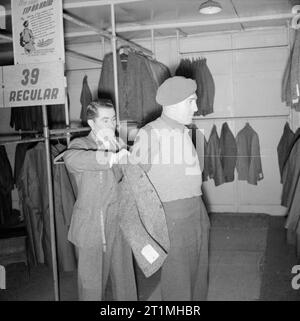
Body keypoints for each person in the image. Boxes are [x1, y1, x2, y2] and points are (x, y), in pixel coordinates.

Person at [130, 76, 211, 301]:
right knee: (179, 283)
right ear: (173, 103)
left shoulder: (184, 131)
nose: (196, 107)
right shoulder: (150, 133)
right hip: (172, 217)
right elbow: (132, 182)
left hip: (196, 211)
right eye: (191, 101)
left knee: (198, 278)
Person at [64, 99, 129, 301]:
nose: (111, 125)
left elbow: (125, 179)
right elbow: (71, 159)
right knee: (91, 286)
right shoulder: (81, 145)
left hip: (118, 222)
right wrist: (110, 158)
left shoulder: (118, 143)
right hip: (92, 225)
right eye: (105, 120)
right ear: (92, 124)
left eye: (114, 119)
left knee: (125, 281)